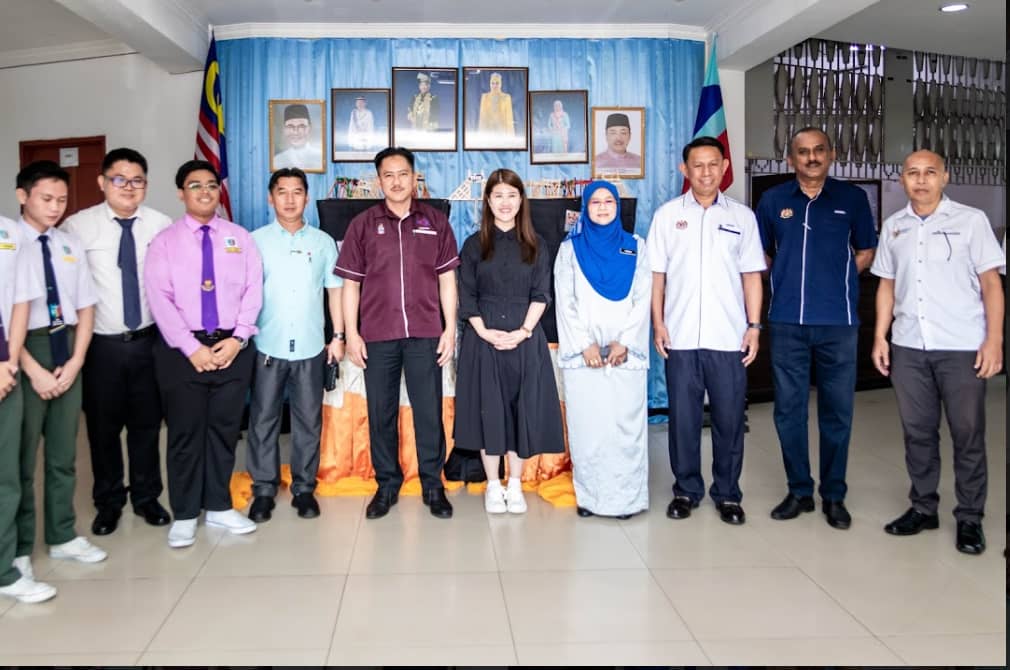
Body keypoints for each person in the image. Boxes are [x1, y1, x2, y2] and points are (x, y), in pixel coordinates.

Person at [870, 150, 1004, 555]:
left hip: (961, 345)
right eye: (913, 173)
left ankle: (970, 517)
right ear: (902, 180)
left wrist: (994, 340)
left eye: (930, 172)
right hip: (909, 345)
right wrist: (880, 336)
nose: (921, 179)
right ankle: (923, 507)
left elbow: (991, 284)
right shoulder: (894, 226)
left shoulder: (971, 221)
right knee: (918, 432)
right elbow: (887, 285)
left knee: (967, 433)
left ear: (944, 177)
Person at [756, 126, 877, 530]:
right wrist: (785, 276)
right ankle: (799, 491)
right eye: (803, 151)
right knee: (788, 411)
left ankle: (834, 495)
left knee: (837, 412)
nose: (811, 157)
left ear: (831, 154)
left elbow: (866, 250)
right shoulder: (773, 200)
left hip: (838, 323)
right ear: (791, 158)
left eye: (819, 150)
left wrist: (838, 276)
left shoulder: (852, 198)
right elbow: (761, 254)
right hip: (787, 321)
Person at [335, 147, 459, 520]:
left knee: (428, 412)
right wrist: (352, 333)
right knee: (381, 412)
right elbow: (351, 285)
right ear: (379, 181)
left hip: (425, 332)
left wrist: (450, 329)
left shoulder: (435, 221)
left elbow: (447, 280)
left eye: (403, 173)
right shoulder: (362, 224)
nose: (396, 181)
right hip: (377, 335)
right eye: (388, 175)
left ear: (414, 177)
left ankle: (432, 485)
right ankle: (387, 484)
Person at [144, 160, 263, 548]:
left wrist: (238, 338)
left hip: (232, 346)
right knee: (185, 432)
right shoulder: (164, 242)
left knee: (224, 430)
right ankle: (184, 513)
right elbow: (159, 299)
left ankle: (218, 505)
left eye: (211, 185)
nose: (205, 191)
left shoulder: (239, 238)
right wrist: (191, 348)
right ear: (181, 193)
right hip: (181, 350)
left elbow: (253, 290)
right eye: (195, 185)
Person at [648, 137, 766, 525]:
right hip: (679, 336)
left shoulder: (742, 217)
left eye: (713, 164)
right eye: (697, 165)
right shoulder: (667, 216)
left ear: (724, 167)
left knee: (729, 420)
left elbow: (751, 275)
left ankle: (728, 494)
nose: (705, 172)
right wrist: (658, 323)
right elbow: (657, 276)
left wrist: (753, 326)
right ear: (684, 169)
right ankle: (686, 490)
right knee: (683, 420)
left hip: (728, 337)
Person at [61, 148, 172, 537]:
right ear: (102, 182)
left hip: (148, 341)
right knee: (102, 429)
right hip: (100, 346)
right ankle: (108, 503)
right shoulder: (78, 227)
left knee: (146, 426)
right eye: (119, 179)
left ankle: (146, 497)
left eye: (137, 180)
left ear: (146, 185)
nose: (128, 187)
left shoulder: (160, 225)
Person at [15, 161, 107, 578]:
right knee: (20, 460)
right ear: (23, 196)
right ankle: (18, 547)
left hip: (66, 344)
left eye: (62, 200)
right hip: (24, 348)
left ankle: (62, 534)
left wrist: (76, 360)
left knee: (63, 453)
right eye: (46, 199)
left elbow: (86, 307)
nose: (55, 208)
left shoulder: (69, 244)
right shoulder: (9, 243)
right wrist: (31, 369)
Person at [454, 169, 564, 514]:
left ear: (521, 200)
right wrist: (484, 331)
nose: (505, 203)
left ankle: (514, 483)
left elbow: (542, 293)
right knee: (487, 411)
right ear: (488, 201)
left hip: (525, 339)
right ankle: (493, 484)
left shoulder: (537, 244)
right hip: (482, 340)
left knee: (520, 412)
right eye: (498, 195)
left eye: (512, 195)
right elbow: (466, 295)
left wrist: (524, 331)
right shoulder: (474, 244)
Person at [247, 168, 344, 523]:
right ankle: (263, 489)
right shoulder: (254, 242)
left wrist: (338, 336)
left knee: (308, 421)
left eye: (297, 192)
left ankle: (304, 488)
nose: (290, 199)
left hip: (310, 346)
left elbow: (335, 292)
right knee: (263, 420)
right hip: (266, 345)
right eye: (282, 192)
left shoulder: (323, 242)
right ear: (270, 198)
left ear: (306, 196)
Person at [555, 180, 651, 518]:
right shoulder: (570, 249)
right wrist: (585, 345)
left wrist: (624, 342)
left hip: (625, 355)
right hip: (586, 357)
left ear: (617, 206)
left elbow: (643, 297)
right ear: (585, 208)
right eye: (594, 202)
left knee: (625, 429)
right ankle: (590, 498)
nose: (602, 207)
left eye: (608, 201)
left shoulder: (636, 246)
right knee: (589, 428)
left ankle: (626, 500)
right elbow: (565, 301)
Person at [0, 212, 55, 603]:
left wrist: (8, 362)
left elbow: (20, 302)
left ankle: (8, 565)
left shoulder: (8, 232)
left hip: (6, 366)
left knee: (9, 472)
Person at [273, 103, 323, 170]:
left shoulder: (320, 157)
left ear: (309, 128)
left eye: (301, 126)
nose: (295, 132)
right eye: (290, 126)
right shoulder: (277, 161)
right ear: (284, 129)